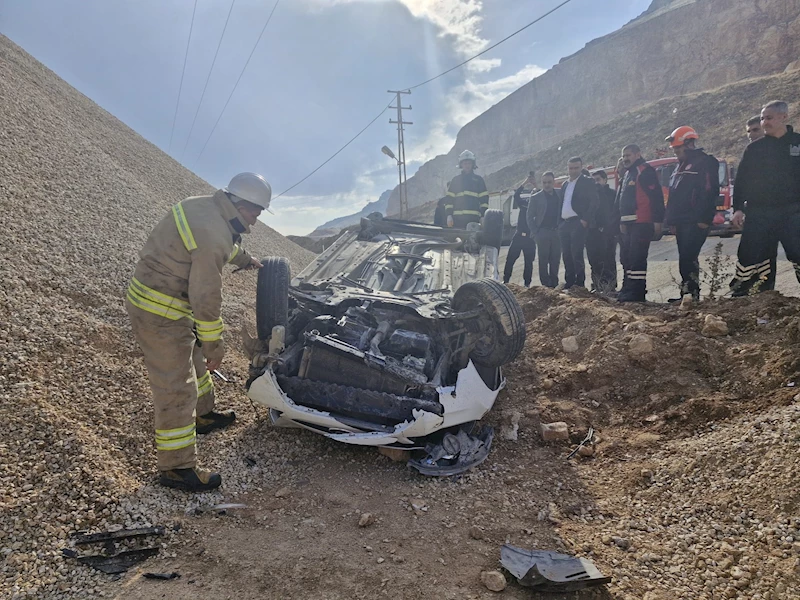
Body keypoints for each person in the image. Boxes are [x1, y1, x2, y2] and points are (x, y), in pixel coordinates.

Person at [126, 172, 270, 492]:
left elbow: (219, 246)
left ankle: (203, 416)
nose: (256, 221)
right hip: (160, 313)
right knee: (176, 387)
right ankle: (176, 468)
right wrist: (213, 343)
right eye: (255, 213)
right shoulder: (214, 234)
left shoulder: (203, 207)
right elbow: (205, 297)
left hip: (157, 298)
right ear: (241, 204)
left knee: (195, 367)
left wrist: (246, 259)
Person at [730, 100, 800, 295]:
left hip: (792, 213)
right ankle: (749, 296)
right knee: (751, 255)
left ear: (784, 117)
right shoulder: (754, 149)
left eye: (768, 118)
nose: (764, 122)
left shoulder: (798, 143)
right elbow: (741, 181)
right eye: (762, 118)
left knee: (797, 253)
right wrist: (738, 208)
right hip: (760, 213)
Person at [663, 126, 720, 304]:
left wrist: (704, 218)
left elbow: (710, 192)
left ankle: (691, 296)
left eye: (678, 149)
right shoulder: (679, 166)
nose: (676, 153)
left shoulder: (705, 162)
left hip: (695, 221)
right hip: (681, 221)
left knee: (689, 257)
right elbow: (674, 196)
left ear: (689, 144)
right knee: (685, 259)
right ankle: (687, 294)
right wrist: (671, 220)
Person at [615, 144, 665, 302]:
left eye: (628, 155)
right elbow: (624, 202)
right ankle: (629, 289)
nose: (625, 159)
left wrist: (657, 221)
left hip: (642, 223)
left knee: (637, 258)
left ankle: (637, 292)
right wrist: (621, 221)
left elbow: (656, 197)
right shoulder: (628, 174)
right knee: (628, 258)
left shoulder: (645, 171)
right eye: (623, 156)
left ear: (638, 154)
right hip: (629, 225)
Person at [743, 115, 777, 290]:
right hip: (756, 211)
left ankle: (766, 287)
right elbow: (742, 182)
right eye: (748, 131)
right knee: (754, 251)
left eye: (755, 130)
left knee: (770, 251)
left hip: (781, 210)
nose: (751, 134)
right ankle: (754, 287)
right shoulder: (751, 152)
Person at [558, 157, 597, 289]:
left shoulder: (587, 182)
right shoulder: (565, 184)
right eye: (570, 168)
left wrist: (585, 220)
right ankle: (569, 282)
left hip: (577, 223)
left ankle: (579, 284)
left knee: (576, 254)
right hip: (564, 224)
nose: (573, 170)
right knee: (567, 254)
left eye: (576, 168)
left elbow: (594, 202)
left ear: (581, 167)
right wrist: (560, 222)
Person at [503, 171, 537, 287]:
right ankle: (506, 281)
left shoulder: (538, 206)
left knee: (529, 262)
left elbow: (544, 194)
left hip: (530, 238)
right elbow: (517, 195)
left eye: (535, 193)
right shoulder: (524, 204)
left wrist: (535, 185)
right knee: (510, 259)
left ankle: (527, 284)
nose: (533, 195)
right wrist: (526, 182)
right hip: (518, 236)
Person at [586, 170, 618, 293]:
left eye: (598, 179)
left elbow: (614, 212)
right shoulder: (591, 195)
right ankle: (597, 284)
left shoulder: (611, 194)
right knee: (594, 259)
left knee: (608, 258)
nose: (596, 183)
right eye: (593, 180)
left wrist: (607, 227)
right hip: (593, 232)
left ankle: (610, 285)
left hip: (608, 232)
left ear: (605, 180)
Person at [527, 172, 562, 287]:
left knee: (555, 259)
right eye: (544, 182)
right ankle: (545, 285)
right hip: (542, 232)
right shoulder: (536, 197)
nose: (547, 185)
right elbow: (529, 216)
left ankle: (554, 283)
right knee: (543, 260)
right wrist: (535, 233)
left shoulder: (560, 193)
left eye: (549, 182)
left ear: (554, 182)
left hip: (556, 232)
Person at [444, 150, 489, 229]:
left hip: (474, 220)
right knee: (457, 241)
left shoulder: (479, 180)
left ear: (473, 164)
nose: (467, 165)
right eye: (465, 163)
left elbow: (484, 200)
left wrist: (483, 216)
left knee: (474, 241)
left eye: (469, 163)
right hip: (457, 220)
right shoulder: (456, 180)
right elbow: (449, 199)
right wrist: (449, 215)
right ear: (461, 164)